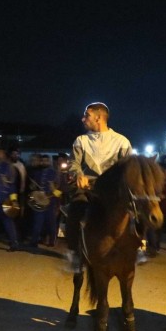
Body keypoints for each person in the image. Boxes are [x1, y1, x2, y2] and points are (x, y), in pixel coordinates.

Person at [66, 102, 132, 272]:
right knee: (75, 210)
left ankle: (137, 250)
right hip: (87, 189)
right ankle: (74, 253)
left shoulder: (122, 142)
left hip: (112, 192)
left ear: (99, 117)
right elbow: (73, 163)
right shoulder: (80, 140)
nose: (83, 119)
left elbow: (129, 168)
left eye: (86, 115)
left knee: (136, 210)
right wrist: (78, 175)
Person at [28, 154, 59, 246]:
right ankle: (34, 241)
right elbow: (32, 187)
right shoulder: (37, 173)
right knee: (37, 223)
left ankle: (51, 241)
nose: (44, 162)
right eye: (43, 161)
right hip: (39, 201)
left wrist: (53, 189)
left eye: (46, 161)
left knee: (51, 223)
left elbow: (59, 190)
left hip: (51, 202)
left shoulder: (55, 173)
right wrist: (32, 186)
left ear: (49, 162)